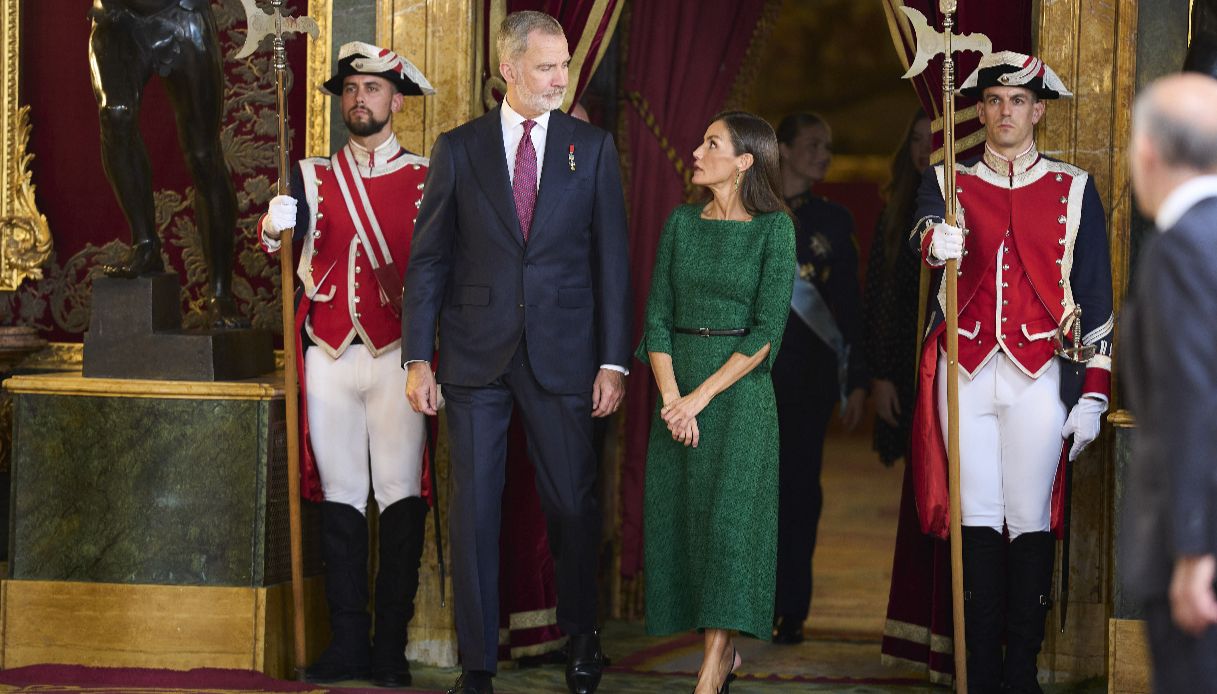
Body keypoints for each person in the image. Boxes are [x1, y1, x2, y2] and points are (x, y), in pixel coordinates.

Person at [401, 11, 631, 694]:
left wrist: (612, 361)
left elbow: (610, 261)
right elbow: (429, 260)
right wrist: (418, 358)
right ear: (509, 69)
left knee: (571, 505)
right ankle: (477, 665)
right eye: (546, 67)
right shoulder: (459, 148)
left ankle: (583, 638)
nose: (560, 78)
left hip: (565, 355)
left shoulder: (591, 148)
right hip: (474, 358)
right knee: (474, 513)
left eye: (564, 66)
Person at [910, 51, 1113, 691]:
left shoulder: (1073, 187)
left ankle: (1021, 675)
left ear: (1037, 111)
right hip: (964, 371)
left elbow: (1096, 296)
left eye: (1018, 101)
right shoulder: (947, 180)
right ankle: (981, 673)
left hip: (1040, 374)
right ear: (979, 109)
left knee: (1028, 516)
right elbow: (920, 234)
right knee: (975, 516)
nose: (1005, 111)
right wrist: (933, 241)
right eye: (995, 100)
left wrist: (1095, 394)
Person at [259, 41, 435, 688]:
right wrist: (270, 226)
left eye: (373, 88)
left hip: (398, 358)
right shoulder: (310, 176)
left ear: (396, 100)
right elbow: (278, 246)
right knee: (339, 501)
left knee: (399, 496)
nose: (360, 99)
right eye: (352, 89)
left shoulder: (427, 177)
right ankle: (348, 644)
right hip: (327, 353)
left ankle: (390, 647)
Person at [638, 111, 796, 694]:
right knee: (686, 526)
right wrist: (672, 398)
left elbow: (767, 331)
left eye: (711, 143)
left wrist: (698, 400)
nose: (697, 152)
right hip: (676, 393)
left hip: (738, 400)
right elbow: (657, 317)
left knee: (731, 530)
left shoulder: (775, 230)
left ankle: (711, 668)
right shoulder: (680, 223)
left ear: (745, 161)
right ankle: (719, 655)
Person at [1122, 72, 1217, 693]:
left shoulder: (1181, 246)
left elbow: (1194, 400)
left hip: (1199, 554)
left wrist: (1194, 552)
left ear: (1148, 152)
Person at [767, 112, 868, 644]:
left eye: (828, 147)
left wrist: (856, 380)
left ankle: (792, 608)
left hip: (809, 380)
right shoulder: (750, 209)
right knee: (750, 493)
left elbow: (848, 304)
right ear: (782, 149)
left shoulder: (834, 219)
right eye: (812, 145)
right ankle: (746, 601)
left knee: (801, 492)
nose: (823, 155)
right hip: (750, 378)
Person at [88, 0, 242, 326]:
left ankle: (220, 293)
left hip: (182, 14)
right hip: (118, 19)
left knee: (203, 155)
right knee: (115, 115)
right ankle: (145, 244)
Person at [864, 109, 932, 466]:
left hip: (946, 355)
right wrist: (881, 375)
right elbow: (879, 299)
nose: (924, 149)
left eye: (933, 139)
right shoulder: (894, 213)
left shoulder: (964, 206)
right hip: (902, 356)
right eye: (916, 140)